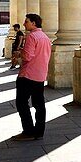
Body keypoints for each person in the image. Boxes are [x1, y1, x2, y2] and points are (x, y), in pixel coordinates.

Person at [13, 13, 51, 141]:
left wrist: (19, 53)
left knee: (21, 103)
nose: (24, 23)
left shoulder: (32, 36)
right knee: (39, 104)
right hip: (40, 75)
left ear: (34, 23)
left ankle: (28, 131)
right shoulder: (45, 37)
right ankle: (39, 132)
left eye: (27, 21)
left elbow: (27, 56)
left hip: (28, 75)